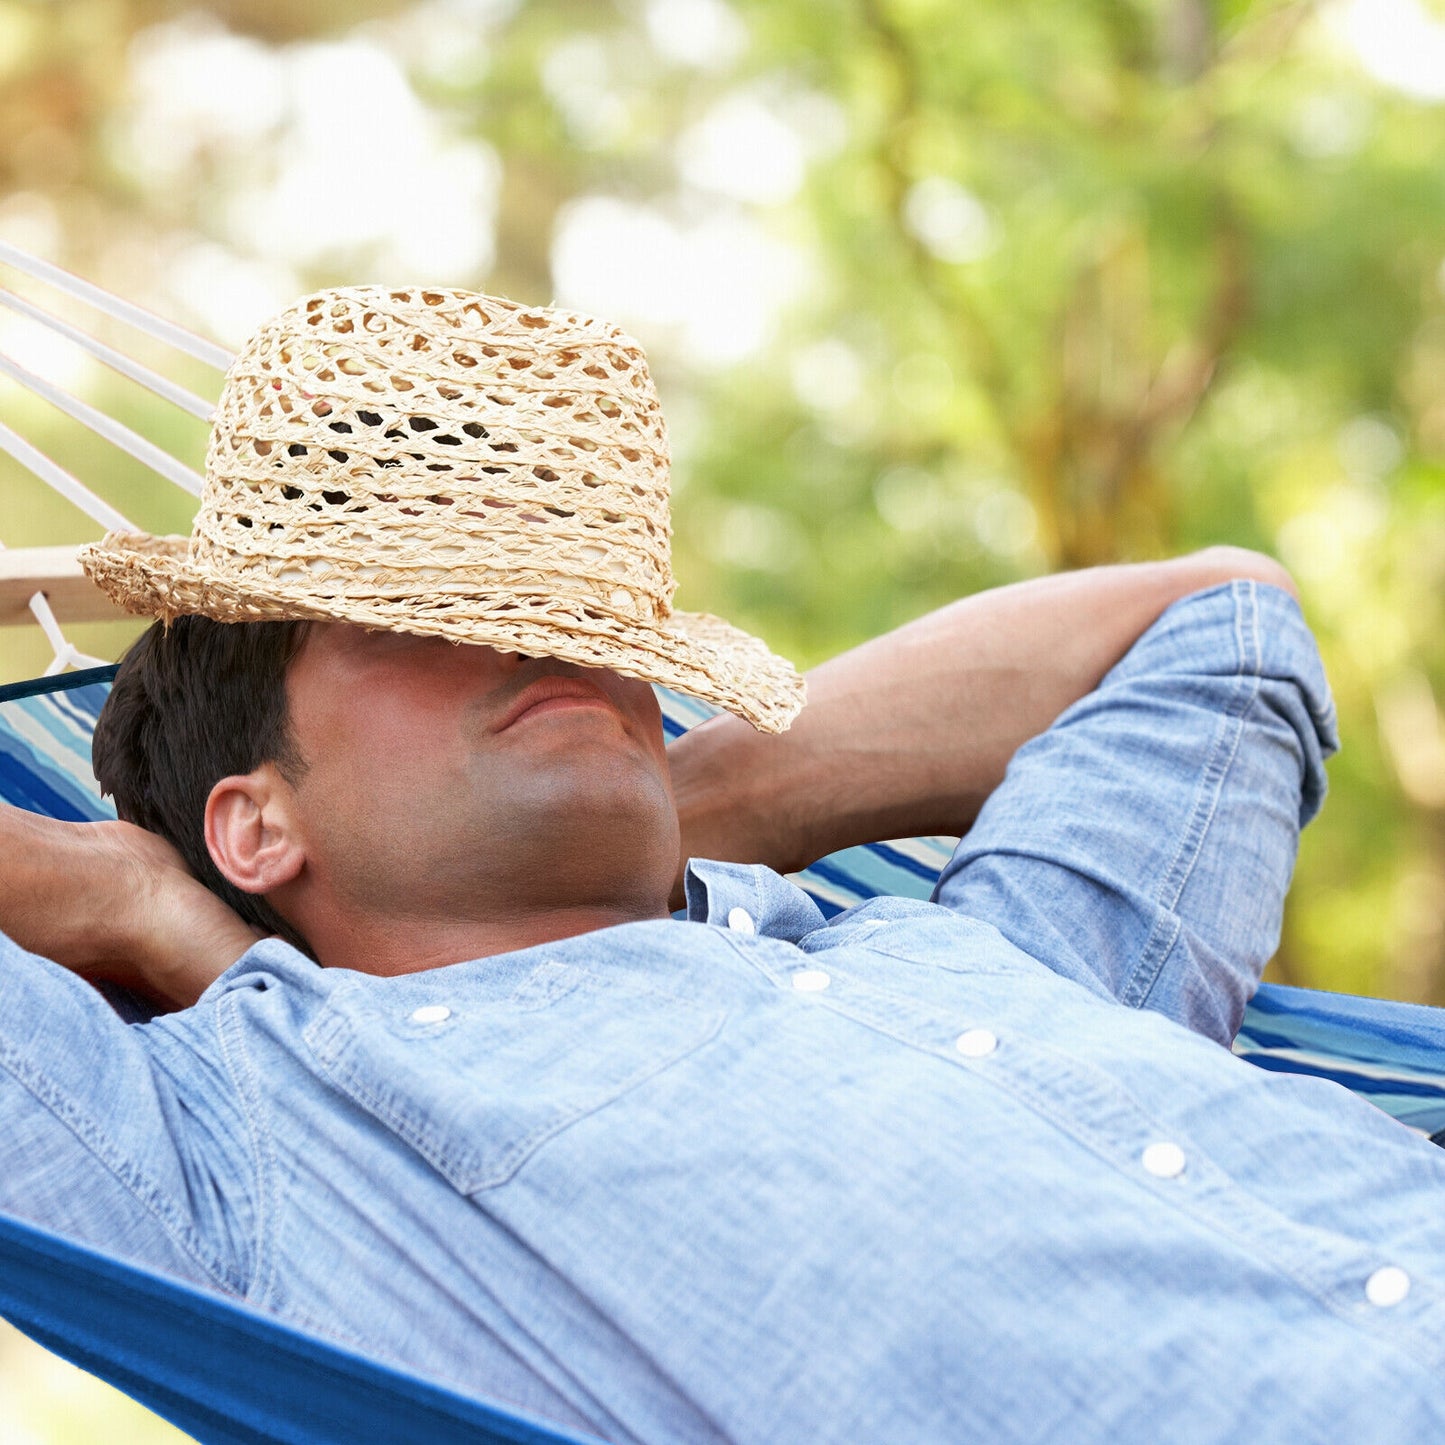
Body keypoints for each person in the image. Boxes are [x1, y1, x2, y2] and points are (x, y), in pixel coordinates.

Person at [1, 286, 1441, 1444]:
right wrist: (118, 898)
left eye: (579, 619)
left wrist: (712, 793)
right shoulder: (254, 1148)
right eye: (421, 615)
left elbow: (1219, 625)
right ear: (255, 824)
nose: (549, 637)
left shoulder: (994, 956)